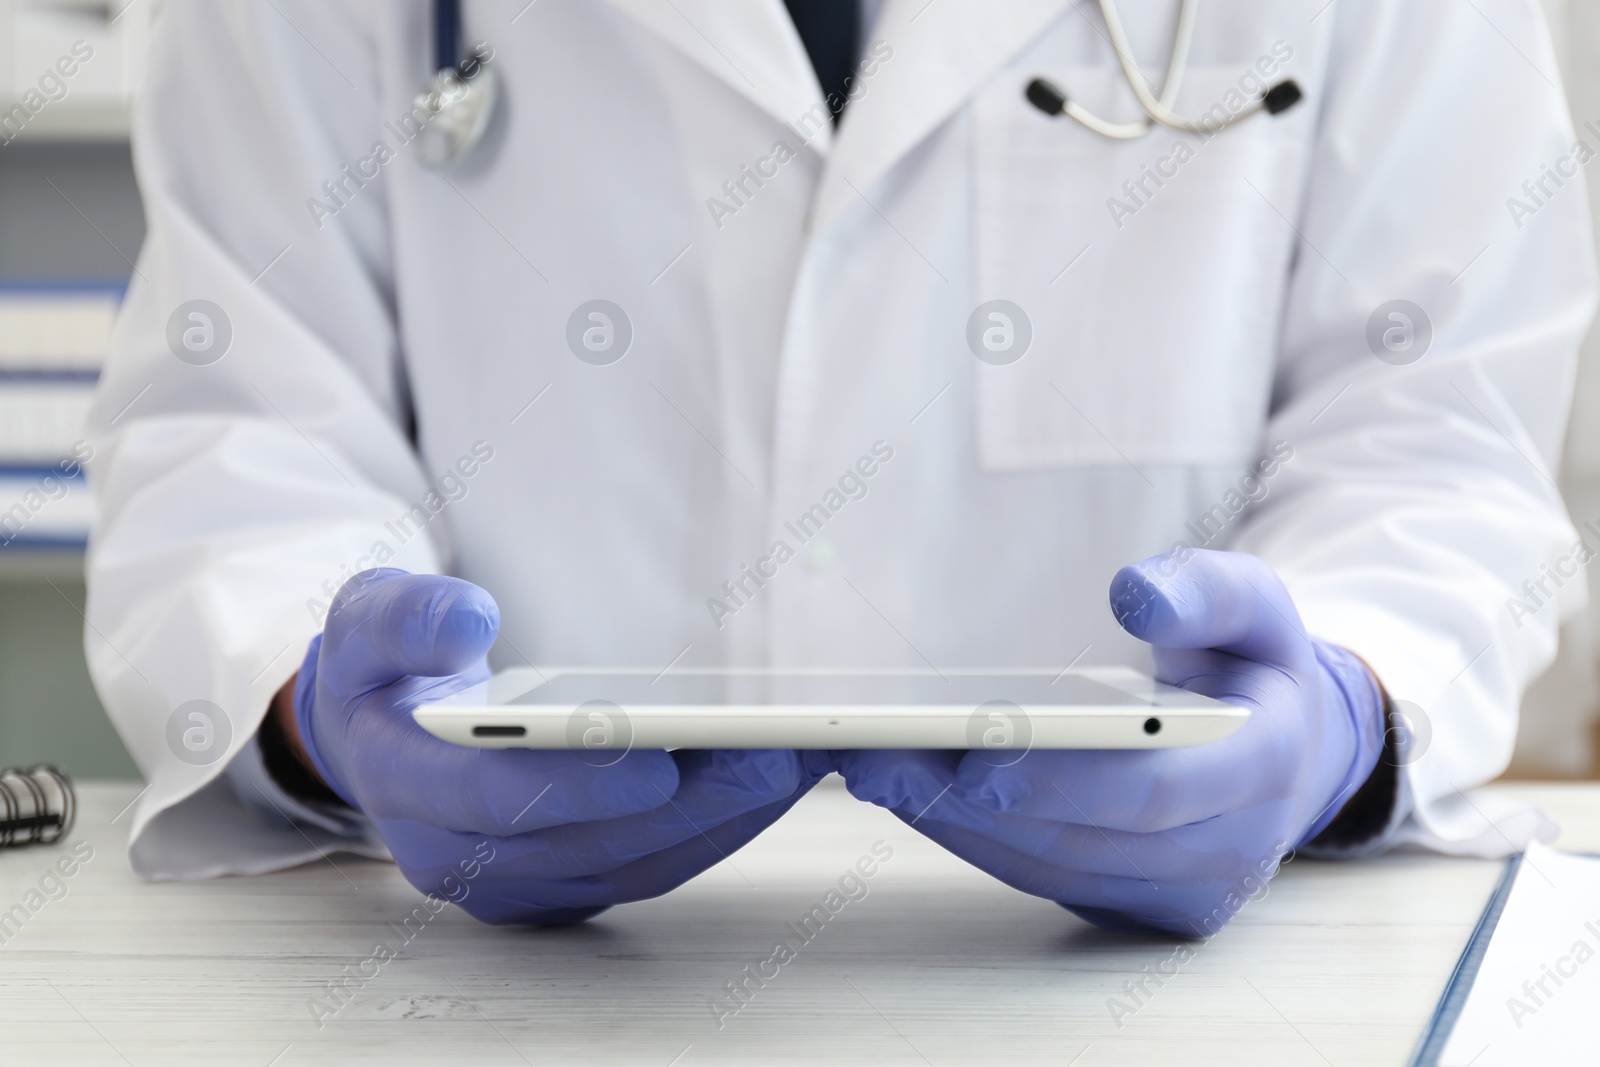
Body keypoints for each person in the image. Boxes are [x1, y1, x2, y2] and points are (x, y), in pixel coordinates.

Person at [86, 0, 1594, 934]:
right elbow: (243, 420)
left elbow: (1437, 436)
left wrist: (1336, 707)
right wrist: (320, 708)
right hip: (513, 1002)